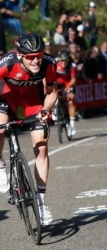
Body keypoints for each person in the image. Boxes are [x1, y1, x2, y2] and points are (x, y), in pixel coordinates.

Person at [0, 33, 57, 225]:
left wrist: (46, 109)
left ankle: (40, 205)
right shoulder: (6, 63)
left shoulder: (49, 63)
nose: (35, 60)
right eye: (30, 57)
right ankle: (0, 164)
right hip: (7, 100)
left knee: (42, 148)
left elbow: (51, 92)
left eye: (39, 55)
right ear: (19, 54)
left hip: (34, 105)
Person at [55, 50, 77, 136]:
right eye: (62, 60)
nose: (64, 62)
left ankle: (72, 124)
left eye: (66, 61)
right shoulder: (54, 63)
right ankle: (55, 109)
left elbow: (74, 79)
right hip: (58, 82)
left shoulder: (72, 66)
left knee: (71, 100)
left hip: (69, 83)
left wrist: (68, 87)